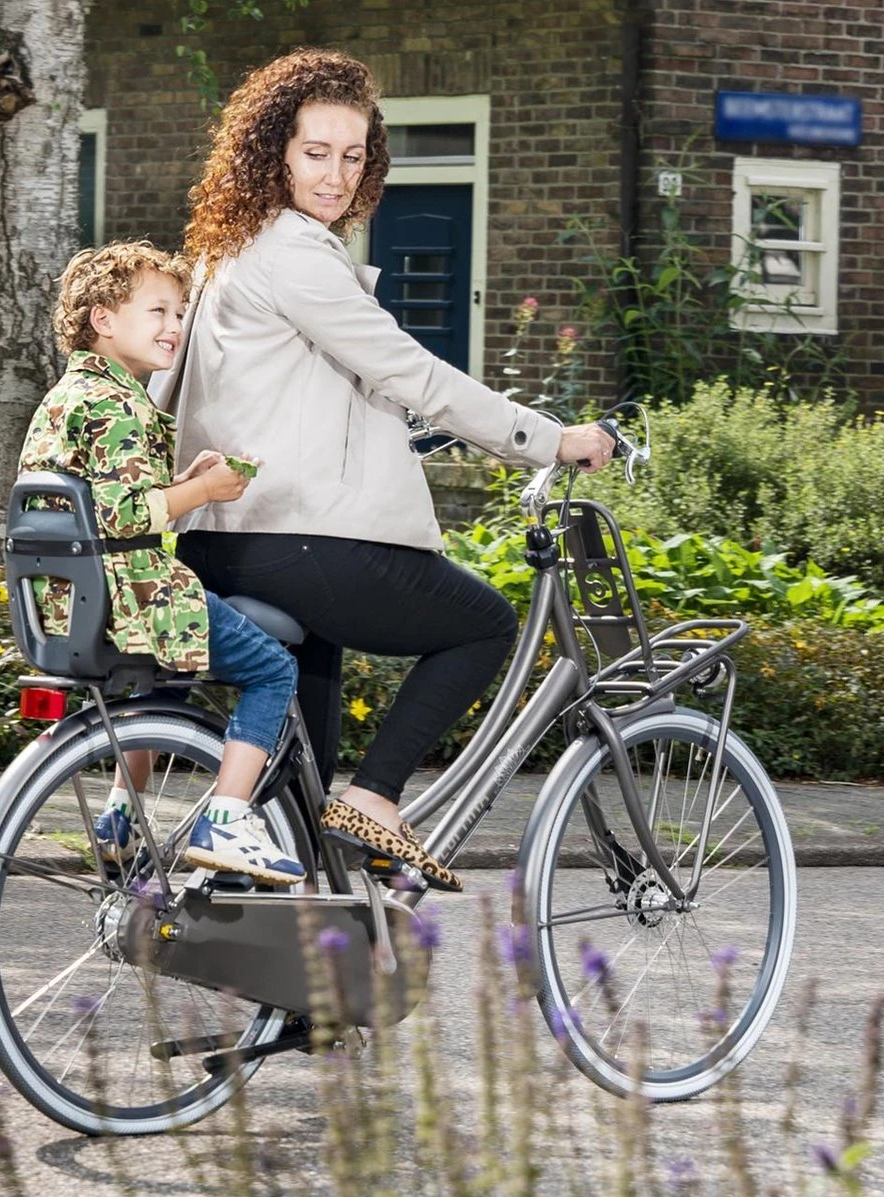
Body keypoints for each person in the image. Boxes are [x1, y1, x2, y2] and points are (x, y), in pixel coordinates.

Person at [152, 49, 615, 893]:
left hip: (222, 538)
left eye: (354, 155)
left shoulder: (229, 250)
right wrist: (549, 440)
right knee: (481, 625)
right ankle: (378, 799)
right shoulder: (293, 252)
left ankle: (300, 986)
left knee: (299, 789)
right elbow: (415, 375)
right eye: (316, 152)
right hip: (293, 536)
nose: (336, 175)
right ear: (274, 152)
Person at [18, 240, 303, 885]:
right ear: (103, 319)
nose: (175, 327)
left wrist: (182, 478)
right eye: (158, 312)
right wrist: (202, 492)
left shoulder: (70, 396)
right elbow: (118, 515)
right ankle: (228, 819)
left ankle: (121, 816)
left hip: (70, 597)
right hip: (131, 598)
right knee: (271, 671)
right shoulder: (120, 404)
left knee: (160, 684)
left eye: (179, 313)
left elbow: (98, 495)